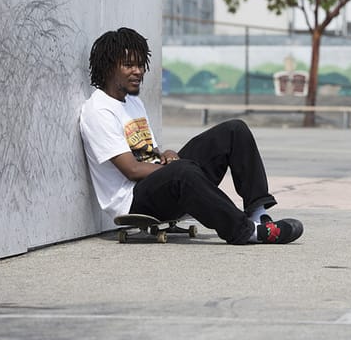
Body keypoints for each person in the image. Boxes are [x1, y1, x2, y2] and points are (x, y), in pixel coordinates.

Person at [79, 27, 303, 245]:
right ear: (109, 68)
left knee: (234, 130)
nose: (138, 71)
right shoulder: (99, 110)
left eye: (140, 64)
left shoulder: (133, 102)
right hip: (133, 201)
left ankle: (258, 212)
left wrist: (167, 154)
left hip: (160, 185)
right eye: (129, 65)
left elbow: (149, 153)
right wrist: (179, 167)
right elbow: (132, 169)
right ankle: (245, 231)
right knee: (183, 171)